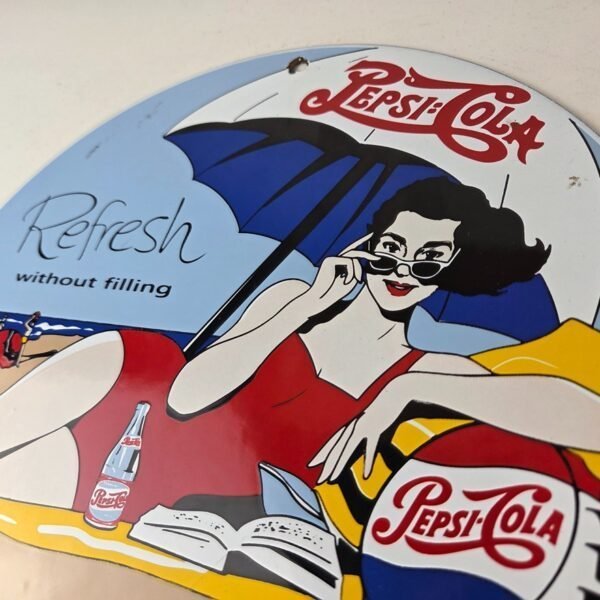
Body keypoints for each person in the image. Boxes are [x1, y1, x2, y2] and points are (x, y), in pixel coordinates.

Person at [0, 178, 598, 521]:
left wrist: (410, 388)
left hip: (207, 504)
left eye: (428, 261)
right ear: (366, 244)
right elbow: (184, 396)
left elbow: (586, 419)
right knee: (132, 351)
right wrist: (305, 307)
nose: (401, 271)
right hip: (133, 436)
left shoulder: (432, 368)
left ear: (453, 272)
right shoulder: (292, 297)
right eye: (391, 249)